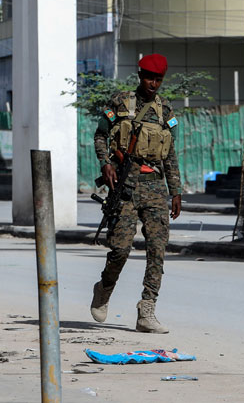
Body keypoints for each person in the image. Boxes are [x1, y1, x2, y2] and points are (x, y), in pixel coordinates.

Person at [90, 53, 182, 333]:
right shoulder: (120, 102)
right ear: (140, 76)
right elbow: (100, 135)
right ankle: (105, 288)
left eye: (158, 79)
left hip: (154, 185)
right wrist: (106, 163)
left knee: (158, 248)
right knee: (120, 249)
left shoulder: (166, 111)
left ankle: (147, 309)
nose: (153, 83)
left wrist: (175, 191)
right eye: (149, 77)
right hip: (125, 184)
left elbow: (170, 154)